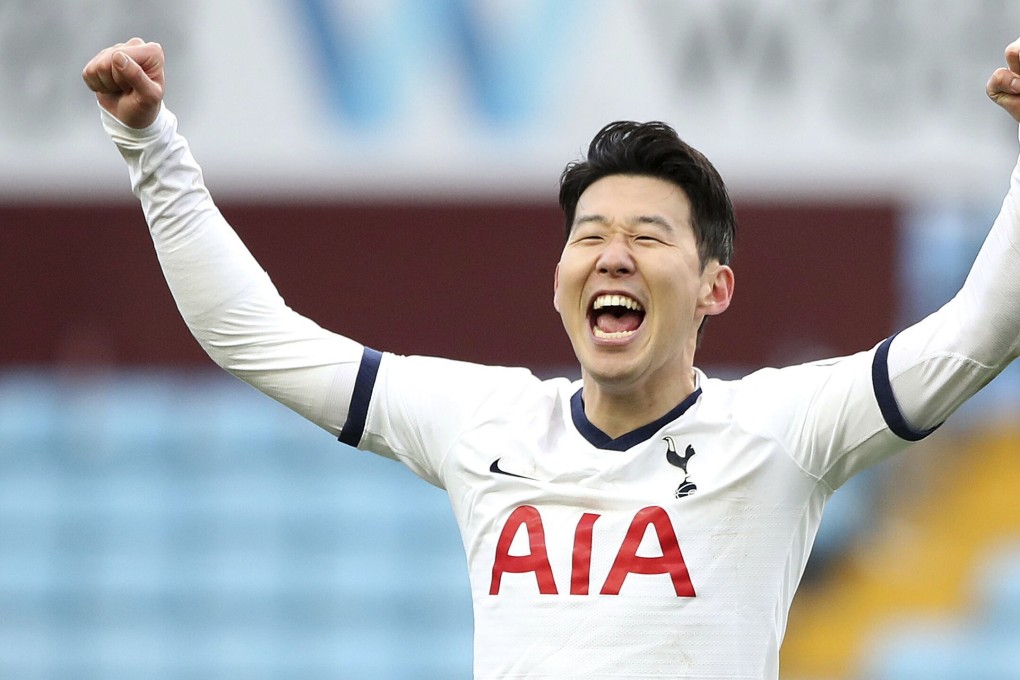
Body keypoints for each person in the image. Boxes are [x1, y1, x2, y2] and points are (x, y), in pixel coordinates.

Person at [82, 36, 1020, 679]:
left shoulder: (781, 430)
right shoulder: (483, 421)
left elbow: (979, 331)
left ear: (714, 290)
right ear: (561, 278)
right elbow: (258, 339)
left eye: (649, 235)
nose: (613, 253)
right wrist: (149, 144)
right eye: (590, 235)